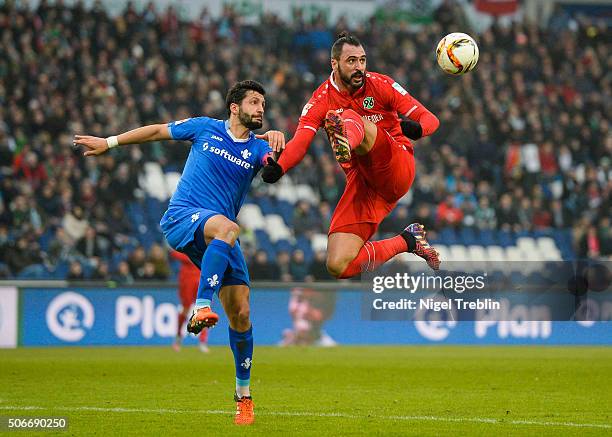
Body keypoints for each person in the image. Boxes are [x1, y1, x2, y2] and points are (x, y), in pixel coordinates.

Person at [73, 80, 285, 426]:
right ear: (235, 107)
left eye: (264, 104)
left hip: (218, 237)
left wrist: (277, 149)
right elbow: (158, 130)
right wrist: (109, 142)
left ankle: (243, 397)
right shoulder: (205, 128)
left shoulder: (257, 148)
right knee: (230, 228)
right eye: (254, 102)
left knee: (242, 314)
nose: (261, 109)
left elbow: (273, 169)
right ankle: (201, 306)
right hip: (183, 217)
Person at [263, 32, 441, 279]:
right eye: (351, 61)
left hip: (396, 164)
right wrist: (279, 167)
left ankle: (346, 138)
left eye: (362, 60)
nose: (359, 67)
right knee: (338, 264)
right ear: (334, 64)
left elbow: (430, 119)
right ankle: (409, 241)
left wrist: (419, 129)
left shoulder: (381, 84)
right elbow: (300, 142)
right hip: (364, 182)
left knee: (346, 116)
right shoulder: (321, 99)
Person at [170, 249, 209, 353]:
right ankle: (178, 338)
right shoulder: (185, 239)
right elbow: (174, 253)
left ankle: (203, 341)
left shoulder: (205, 239)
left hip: (202, 277)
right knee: (185, 309)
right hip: (187, 279)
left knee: (204, 309)